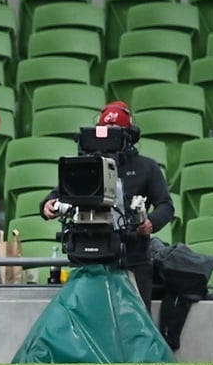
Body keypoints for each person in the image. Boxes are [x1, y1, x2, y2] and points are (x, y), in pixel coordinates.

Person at [40, 101, 174, 311]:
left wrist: (150, 223)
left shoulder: (146, 167)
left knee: (136, 320)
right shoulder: (85, 165)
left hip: (133, 255)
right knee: (89, 316)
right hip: (90, 253)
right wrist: (48, 205)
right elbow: (58, 195)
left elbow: (165, 205)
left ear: (128, 135)